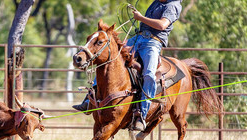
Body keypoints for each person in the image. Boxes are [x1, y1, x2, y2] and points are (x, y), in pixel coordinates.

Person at [73, 0, 182, 131]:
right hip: (137, 38)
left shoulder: (173, 6)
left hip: (153, 42)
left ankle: (142, 114)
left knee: (149, 75)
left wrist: (141, 18)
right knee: (109, 59)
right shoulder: (157, 2)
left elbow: (162, 25)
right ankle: (89, 101)